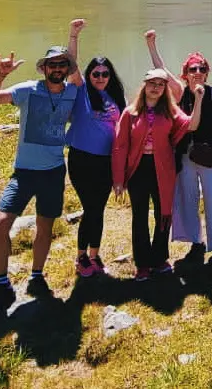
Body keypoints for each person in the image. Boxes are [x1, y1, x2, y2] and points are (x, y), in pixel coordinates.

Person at [0, 19, 86, 306]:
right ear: (44, 69)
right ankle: (2, 283)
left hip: (53, 172)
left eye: (62, 65)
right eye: (52, 65)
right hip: (24, 173)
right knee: (0, 223)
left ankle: (36, 276)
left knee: (45, 227)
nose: (57, 69)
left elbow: (79, 73)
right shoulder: (28, 90)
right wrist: (1, 74)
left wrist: (73, 36)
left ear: (67, 70)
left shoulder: (73, 92)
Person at [146, 31, 212, 267]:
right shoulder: (180, 93)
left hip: (211, 156)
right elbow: (161, 70)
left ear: (207, 72)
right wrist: (151, 44)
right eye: (193, 69)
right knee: (188, 200)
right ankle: (196, 243)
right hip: (185, 157)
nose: (198, 73)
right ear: (186, 74)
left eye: (202, 69)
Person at [111, 68, 201, 279]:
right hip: (138, 168)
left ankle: (159, 259)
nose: (156, 88)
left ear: (165, 88)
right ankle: (142, 264)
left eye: (161, 84)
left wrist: (198, 99)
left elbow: (192, 124)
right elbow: (120, 146)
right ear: (145, 86)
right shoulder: (130, 113)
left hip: (163, 168)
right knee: (140, 216)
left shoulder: (170, 111)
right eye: (152, 83)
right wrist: (118, 179)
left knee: (163, 213)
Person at [66, 49, 125, 279]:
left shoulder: (116, 99)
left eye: (105, 74)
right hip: (82, 159)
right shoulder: (82, 93)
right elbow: (71, 65)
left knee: (98, 209)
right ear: (89, 75)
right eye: (96, 73)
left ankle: (94, 255)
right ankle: (81, 257)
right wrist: (73, 35)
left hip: (106, 162)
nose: (100, 78)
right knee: (90, 208)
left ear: (110, 76)